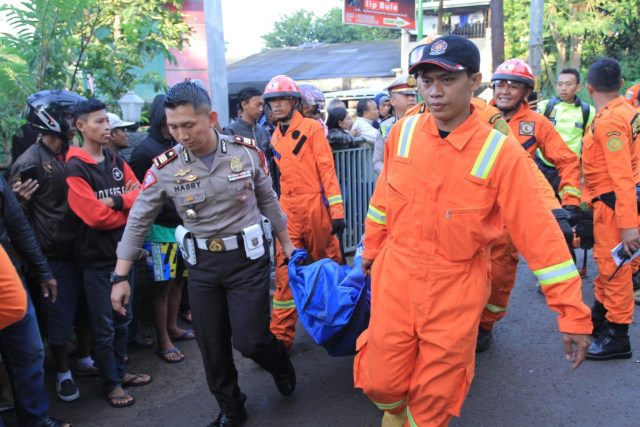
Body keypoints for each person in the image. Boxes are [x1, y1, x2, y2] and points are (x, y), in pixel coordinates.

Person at [354, 35, 592, 426]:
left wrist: (573, 314)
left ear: (475, 81)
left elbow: (541, 239)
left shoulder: (501, 152)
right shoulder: (404, 133)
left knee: (433, 400)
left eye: (447, 80)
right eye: (426, 80)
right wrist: (370, 251)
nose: (434, 92)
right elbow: (382, 202)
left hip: (455, 287)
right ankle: (398, 414)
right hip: (396, 276)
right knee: (380, 382)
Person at [111, 81, 297, 426]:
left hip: (247, 259)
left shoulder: (246, 152)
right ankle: (231, 407)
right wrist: (120, 276)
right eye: (173, 126)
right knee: (212, 345)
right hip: (202, 265)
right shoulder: (165, 167)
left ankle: (278, 362)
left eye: (188, 125)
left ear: (211, 118)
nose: (180, 134)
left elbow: (268, 199)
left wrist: (287, 245)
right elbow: (138, 219)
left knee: (251, 340)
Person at [9, 89, 97, 403]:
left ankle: (85, 359)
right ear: (50, 119)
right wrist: (18, 202)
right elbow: (18, 220)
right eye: (70, 117)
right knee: (59, 318)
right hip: (53, 256)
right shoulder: (28, 162)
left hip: (83, 249)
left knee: (85, 311)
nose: (75, 123)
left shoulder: (72, 154)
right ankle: (62, 373)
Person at [67, 99, 151, 408]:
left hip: (123, 256)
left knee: (123, 321)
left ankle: (120, 372)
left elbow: (141, 195)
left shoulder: (115, 160)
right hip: (97, 261)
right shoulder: (73, 166)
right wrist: (127, 205)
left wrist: (116, 203)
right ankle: (111, 383)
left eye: (107, 122)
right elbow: (92, 217)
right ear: (81, 126)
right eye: (100, 122)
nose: (107, 127)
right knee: (103, 326)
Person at [262, 75, 346, 349]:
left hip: (316, 212)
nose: (275, 105)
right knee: (285, 276)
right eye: (271, 101)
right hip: (289, 215)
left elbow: (327, 169)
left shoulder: (312, 128)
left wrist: (336, 211)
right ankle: (280, 340)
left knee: (330, 269)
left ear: (294, 101)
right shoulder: (274, 135)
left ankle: (344, 325)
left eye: (281, 99)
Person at [581, 58, 640, 360]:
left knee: (615, 270)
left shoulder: (610, 122)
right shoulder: (627, 112)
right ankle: (600, 320)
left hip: (616, 209)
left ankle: (618, 336)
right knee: (611, 268)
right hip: (617, 206)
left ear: (588, 87)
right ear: (620, 84)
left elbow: (622, 178)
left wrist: (628, 225)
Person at [130, 94, 195, 363]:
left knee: (179, 279)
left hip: (180, 226)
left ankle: (172, 326)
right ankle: (163, 339)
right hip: (157, 229)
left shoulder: (177, 145)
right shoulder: (145, 151)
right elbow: (140, 196)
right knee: (161, 285)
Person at [0, 174, 70, 427]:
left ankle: (36, 418)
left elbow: (17, 226)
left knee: (29, 353)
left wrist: (43, 271)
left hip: (7, 280)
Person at [490, 59, 582, 214]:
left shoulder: (537, 123)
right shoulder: (477, 117)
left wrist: (571, 201)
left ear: (526, 92)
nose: (504, 91)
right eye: (500, 85)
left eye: (513, 87)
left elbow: (567, 161)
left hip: (521, 204)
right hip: (481, 204)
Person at [535, 68, 595, 186]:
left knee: (568, 201)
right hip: (543, 164)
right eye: (560, 84)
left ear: (578, 87)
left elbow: (590, 143)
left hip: (570, 167)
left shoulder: (587, 111)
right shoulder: (545, 106)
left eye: (568, 84)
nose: (563, 88)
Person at [223, 87, 270, 154]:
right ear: (244, 104)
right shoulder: (231, 131)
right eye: (258, 104)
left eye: (262, 105)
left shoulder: (263, 131)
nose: (261, 109)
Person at [379, 74, 418, 140]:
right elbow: (380, 150)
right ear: (392, 101)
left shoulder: (427, 121)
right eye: (407, 95)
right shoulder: (385, 125)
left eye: (413, 95)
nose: (412, 98)